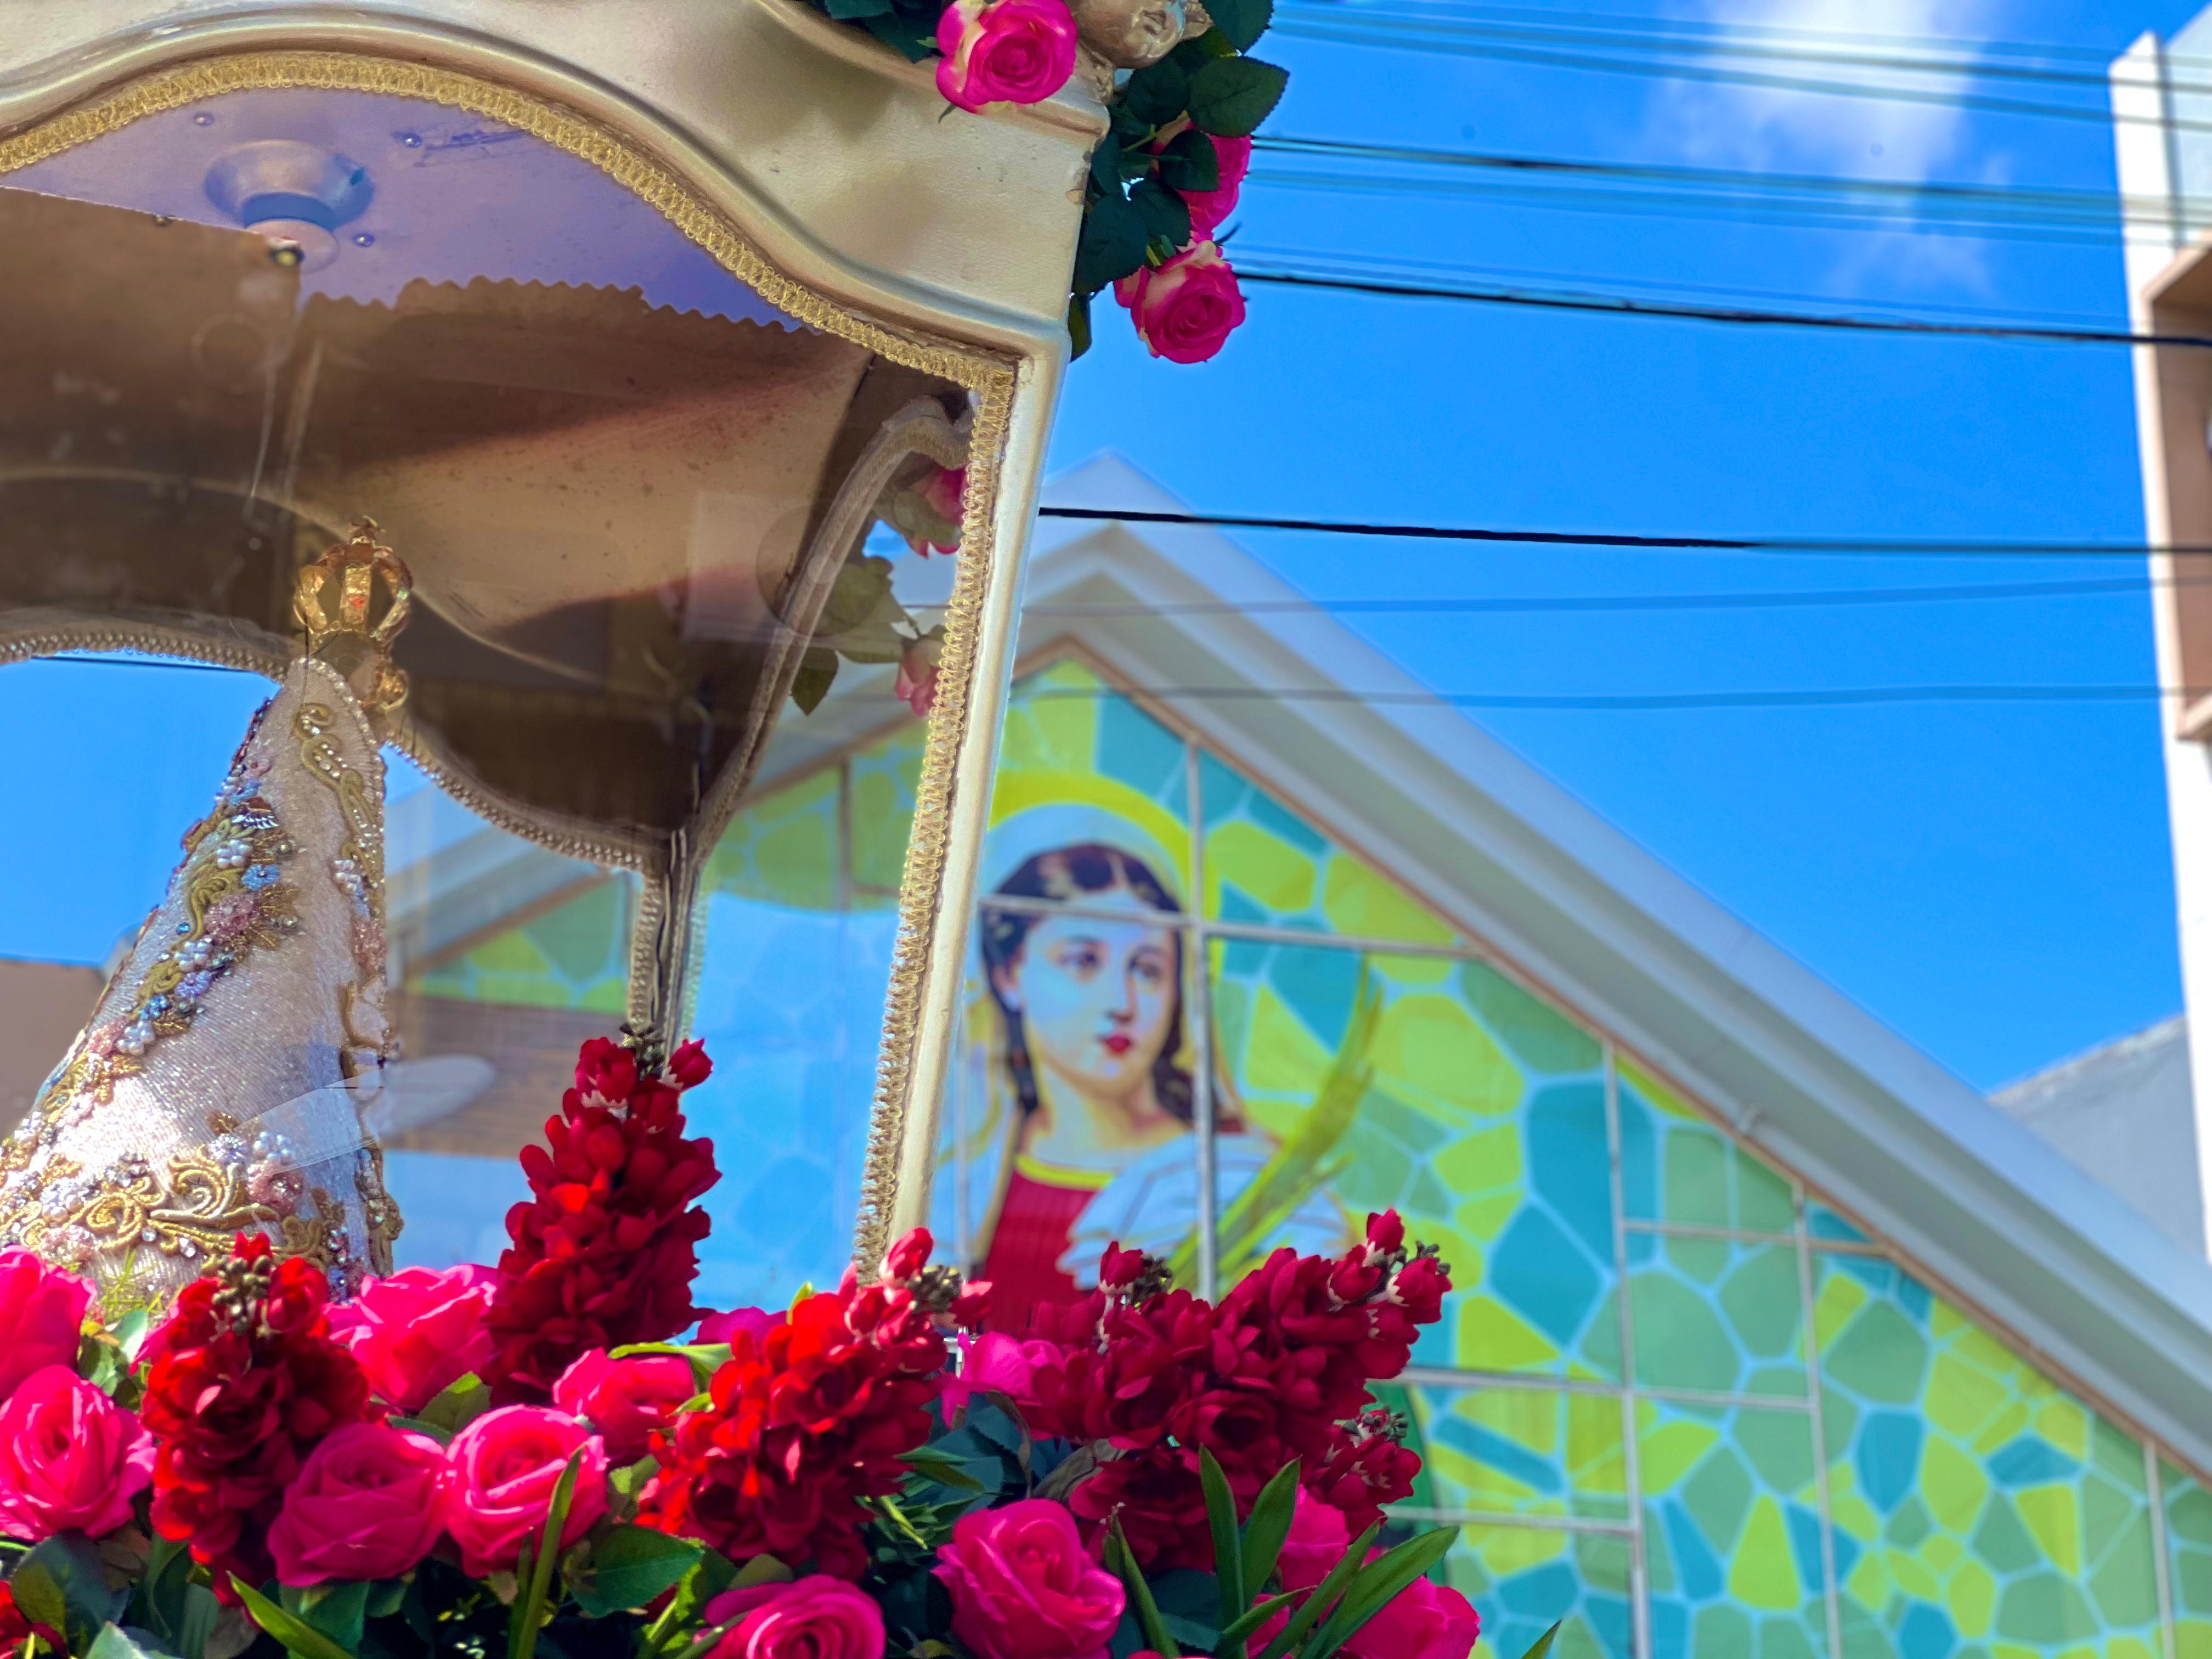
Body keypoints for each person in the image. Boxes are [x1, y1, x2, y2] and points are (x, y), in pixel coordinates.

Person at [941, 839, 1346, 1328]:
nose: (1121, 1002)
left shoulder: (1237, 1179)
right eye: (1083, 962)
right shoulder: (964, 1180)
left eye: (1148, 971)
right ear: (1009, 974)